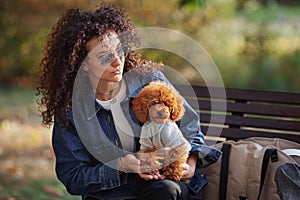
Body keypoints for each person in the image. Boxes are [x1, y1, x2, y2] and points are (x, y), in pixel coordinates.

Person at [37, 3, 220, 200]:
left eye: (120, 50)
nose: (117, 61)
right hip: (113, 195)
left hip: (163, 186)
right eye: (105, 56)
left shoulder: (149, 80)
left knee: (166, 191)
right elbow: (73, 177)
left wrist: (191, 163)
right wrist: (121, 166)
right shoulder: (72, 111)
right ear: (84, 65)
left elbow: (190, 126)